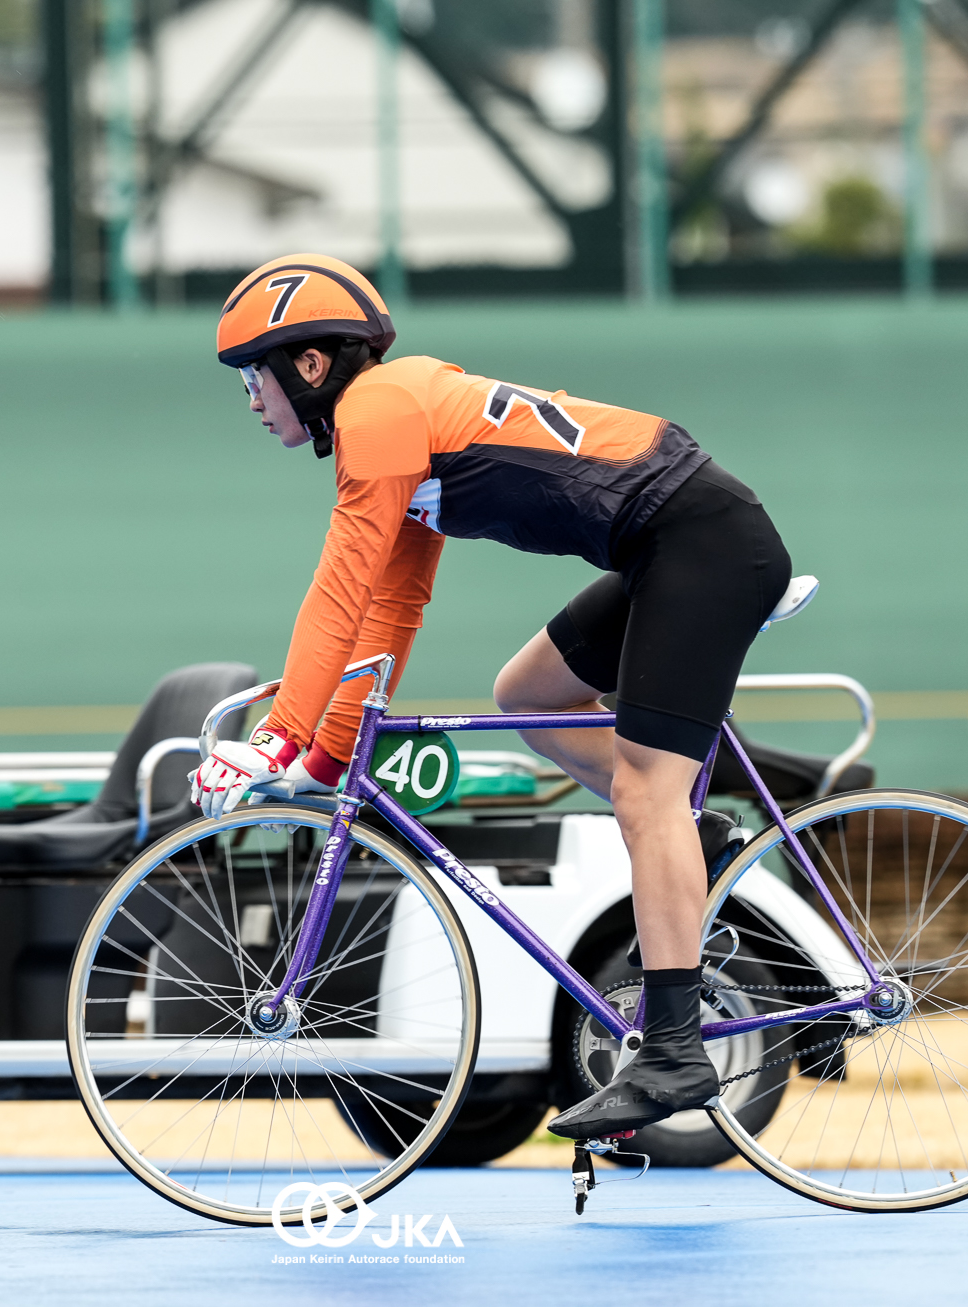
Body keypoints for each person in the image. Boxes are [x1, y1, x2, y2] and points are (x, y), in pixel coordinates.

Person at [188, 253, 792, 1140]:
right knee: (528, 693)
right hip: (676, 540)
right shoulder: (398, 420)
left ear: (308, 366)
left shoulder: (379, 414)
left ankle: (673, 1053)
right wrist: (323, 758)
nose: (251, 400)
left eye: (254, 377)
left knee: (642, 790)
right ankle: (690, 844)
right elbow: (389, 605)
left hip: (698, 543)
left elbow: (337, 588)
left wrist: (274, 738)